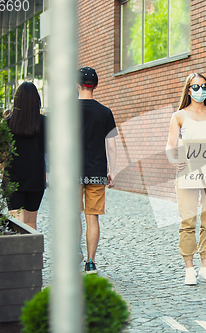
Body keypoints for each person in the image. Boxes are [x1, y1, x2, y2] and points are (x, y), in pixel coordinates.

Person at [165, 73, 206, 285]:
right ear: (188, 90)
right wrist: (173, 160)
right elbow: (170, 145)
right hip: (188, 173)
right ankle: (189, 268)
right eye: (196, 87)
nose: (200, 90)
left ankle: (205, 268)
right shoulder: (179, 116)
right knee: (187, 221)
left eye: (204, 86)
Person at [77, 67, 118, 274]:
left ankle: (75, 253)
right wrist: (113, 171)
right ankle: (90, 262)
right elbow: (112, 145)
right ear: (95, 86)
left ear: (77, 85)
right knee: (92, 217)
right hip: (97, 171)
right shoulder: (105, 112)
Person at [5, 82, 46, 230]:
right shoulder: (45, 123)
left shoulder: (7, 123)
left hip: (12, 178)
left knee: (16, 223)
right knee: (30, 223)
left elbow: (2, 154)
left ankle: (18, 253)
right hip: (36, 179)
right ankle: (32, 253)